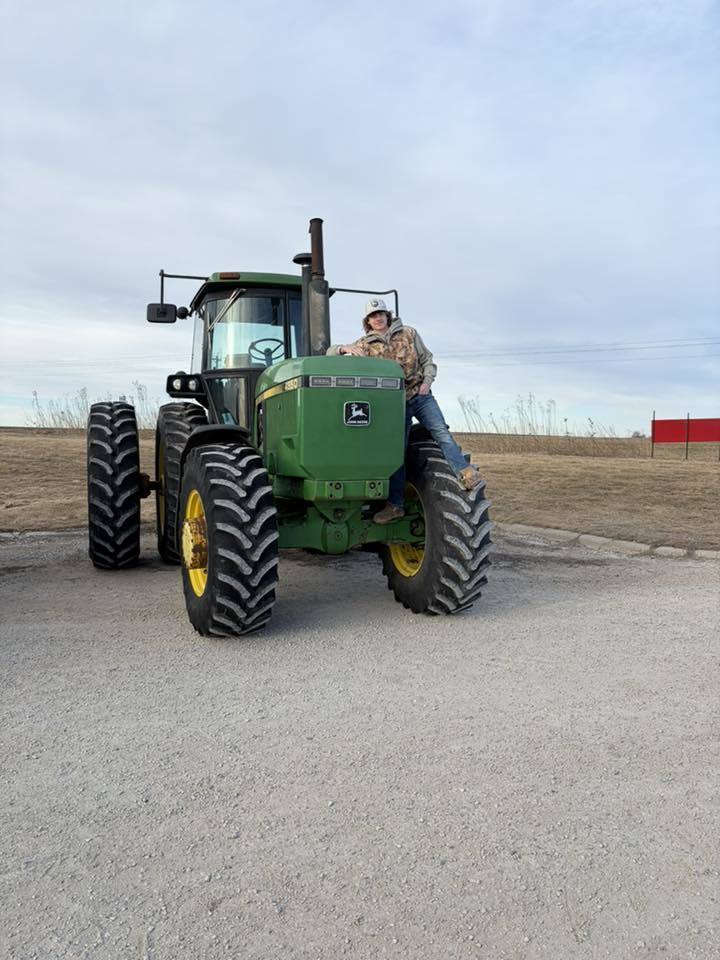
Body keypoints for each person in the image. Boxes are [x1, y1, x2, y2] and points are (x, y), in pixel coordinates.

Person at [327, 298, 482, 523]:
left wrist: (427, 382)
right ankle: (395, 505)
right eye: (373, 316)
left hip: (420, 395)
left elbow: (427, 359)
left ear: (387, 315)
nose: (378, 318)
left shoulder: (409, 333)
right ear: (368, 321)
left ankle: (466, 474)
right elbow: (329, 355)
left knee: (440, 431)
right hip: (392, 404)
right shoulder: (364, 345)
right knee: (396, 452)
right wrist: (343, 348)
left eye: (381, 314)